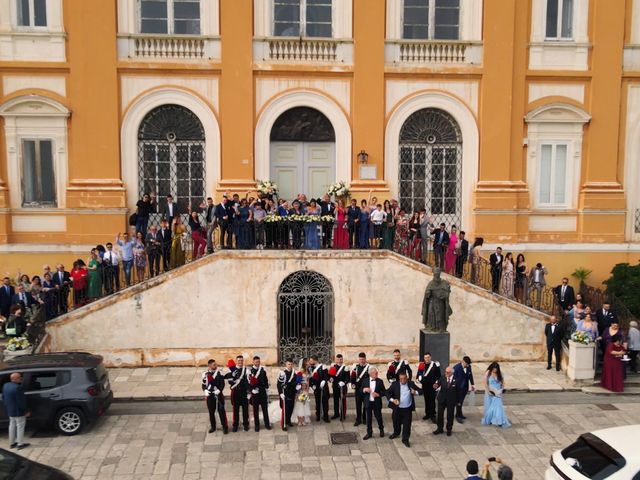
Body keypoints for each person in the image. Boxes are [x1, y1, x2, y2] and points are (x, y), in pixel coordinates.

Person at [387, 371, 422, 447]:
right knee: (396, 422)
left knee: (407, 425)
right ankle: (396, 433)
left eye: (404, 379)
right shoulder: (394, 384)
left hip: (407, 409)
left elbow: (421, 391)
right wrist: (393, 400)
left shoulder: (411, 384)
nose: (402, 381)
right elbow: (387, 393)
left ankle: (405, 439)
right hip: (397, 408)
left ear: (407, 378)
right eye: (400, 379)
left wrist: (415, 392)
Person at [2, 372, 30, 450]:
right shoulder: (18, 388)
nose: (20, 379)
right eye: (19, 378)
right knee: (20, 427)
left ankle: (12, 443)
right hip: (18, 411)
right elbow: (21, 402)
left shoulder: (6, 385)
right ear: (14, 379)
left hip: (10, 410)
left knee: (11, 426)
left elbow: (3, 397)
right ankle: (20, 444)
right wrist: (26, 411)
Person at [201, 359, 229, 434]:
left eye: (215, 364)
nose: (215, 366)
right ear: (209, 366)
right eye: (214, 365)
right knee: (211, 412)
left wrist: (219, 390)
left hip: (218, 394)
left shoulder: (219, 373)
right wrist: (205, 391)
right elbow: (204, 384)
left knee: (221, 411)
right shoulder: (205, 374)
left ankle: (225, 426)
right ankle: (213, 427)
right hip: (210, 395)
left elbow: (222, 384)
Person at [481, 362, 511, 428]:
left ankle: (499, 420)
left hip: (498, 393)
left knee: (498, 406)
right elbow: (485, 383)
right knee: (490, 406)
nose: (495, 370)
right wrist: (488, 391)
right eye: (494, 369)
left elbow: (503, 383)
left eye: (496, 369)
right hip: (490, 392)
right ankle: (491, 419)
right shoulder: (488, 373)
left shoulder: (500, 374)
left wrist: (502, 389)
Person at [361, 366, 385, 440]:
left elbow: (384, 392)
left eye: (377, 373)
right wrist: (364, 389)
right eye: (375, 373)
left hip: (377, 403)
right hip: (368, 403)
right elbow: (360, 391)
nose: (377, 374)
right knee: (369, 419)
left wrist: (378, 394)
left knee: (378, 417)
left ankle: (381, 429)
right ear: (370, 374)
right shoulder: (365, 381)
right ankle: (369, 433)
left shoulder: (380, 381)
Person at [227, 355, 250, 432]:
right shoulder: (231, 370)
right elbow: (229, 382)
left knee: (245, 410)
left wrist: (249, 392)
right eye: (239, 360)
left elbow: (248, 382)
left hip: (244, 392)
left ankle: (246, 424)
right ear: (236, 361)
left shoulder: (246, 370)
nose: (240, 362)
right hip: (236, 392)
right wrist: (232, 377)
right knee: (235, 410)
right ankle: (235, 425)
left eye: (241, 360)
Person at [433, 366, 458, 436]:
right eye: (445, 372)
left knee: (450, 415)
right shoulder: (443, 377)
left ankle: (449, 429)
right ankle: (439, 428)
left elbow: (458, 391)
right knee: (440, 414)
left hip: (451, 400)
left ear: (452, 373)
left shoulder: (456, 380)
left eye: (447, 372)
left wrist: (458, 401)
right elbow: (438, 384)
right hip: (442, 399)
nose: (445, 373)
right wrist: (436, 385)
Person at [249, 356, 271, 431]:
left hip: (262, 392)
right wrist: (252, 390)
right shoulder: (250, 371)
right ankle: (257, 425)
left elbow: (265, 380)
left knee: (265, 409)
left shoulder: (262, 371)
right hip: (255, 393)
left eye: (258, 362)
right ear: (253, 362)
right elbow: (248, 383)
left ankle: (267, 424)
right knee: (255, 410)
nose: (257, 363)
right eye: (256, 362)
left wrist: (267, 388)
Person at [417, 352, 441, 422]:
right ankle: (427, 414)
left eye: (428, 357)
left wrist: (437, 383)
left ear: (430, 357)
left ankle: (433, 415)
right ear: (424, 358)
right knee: (426, 400)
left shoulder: (435, 365)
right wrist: (419, 379)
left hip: (432, 386)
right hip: (425, 386)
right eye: (425, 358)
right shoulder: (422, 365)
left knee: (432, 401)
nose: (427, 359)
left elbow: (439, 376)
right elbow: (418, 375)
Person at [307, 355, 330, 422]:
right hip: (316, 388)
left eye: (311, 360)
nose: (310, 361)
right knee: (317, 402)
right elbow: (310, 378)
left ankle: (326, 416)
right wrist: (312, 385)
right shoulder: (310, 368)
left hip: (323, 388)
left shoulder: (323, 366)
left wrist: (324, 381)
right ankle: (318, 415)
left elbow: (326, 376)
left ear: (315, 360)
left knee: (325, 402)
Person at [350, 352, 370, 426]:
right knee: (358, 405)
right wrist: (352, 384)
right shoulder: (355, 367)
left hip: (365, 389)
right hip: (358, 389)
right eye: (360, 359)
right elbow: (352, 377)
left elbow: (371, 378)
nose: (361, 360)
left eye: (363, 359)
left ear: (365, 359)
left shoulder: (369, 367)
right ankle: (358, 419)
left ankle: (364, 418)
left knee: (365, 405)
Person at [453, 356, 475, 423]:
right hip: (458, 388)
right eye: (466, 364)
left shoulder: (468, 367)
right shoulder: (456, 368)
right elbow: (454, 379)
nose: (467, 365)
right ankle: (458, 415)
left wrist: (472, 384)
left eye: (468, 364)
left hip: (465, 387)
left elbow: (470, 375)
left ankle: (460, 414)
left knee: (461, 401)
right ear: (463, 361)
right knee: (458, 402)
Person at [277, 358, 297, 431]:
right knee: (285, 410)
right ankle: (283, 424)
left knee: (291, 408)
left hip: (292, 393)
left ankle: (288, 421)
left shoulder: (294, 373)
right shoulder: (282, 373)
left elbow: (295, 382)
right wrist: (280, 393)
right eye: (289, 364)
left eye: (291, 364)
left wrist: (297, 387)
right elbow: (279, 384)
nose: (290, 365)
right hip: (285, 394)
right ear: (286, 364)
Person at [330, 354, 349, 420]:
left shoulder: (345, 367)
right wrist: (331, 379)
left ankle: (343, 415)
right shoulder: (333, 367)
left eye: (341, 359)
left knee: (343, 401)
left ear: (342, 359)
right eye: (338, 359)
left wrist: (344, 382)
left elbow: (348, 378)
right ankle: (336, 414)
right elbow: (330, 376)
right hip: (335, 386)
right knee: (335, 401)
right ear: (336, 360)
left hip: (343, 387)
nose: (339, 361)